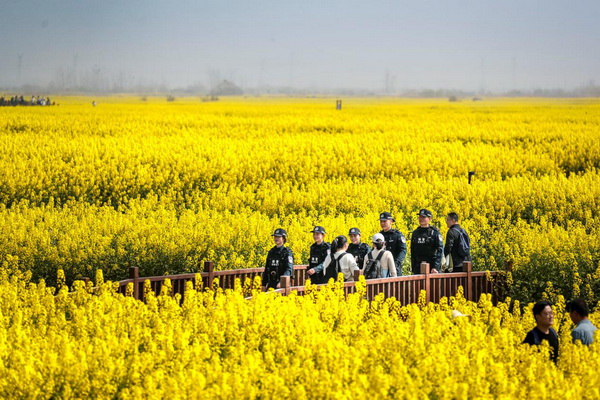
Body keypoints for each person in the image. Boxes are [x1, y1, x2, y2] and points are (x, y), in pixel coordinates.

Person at [410, 209, 443, 274]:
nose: (421, 219)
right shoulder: (415, 233)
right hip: (418, 266)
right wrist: (413, 268)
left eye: (423, 217)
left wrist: (436, 267)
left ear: (429, 219)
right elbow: (413, 251)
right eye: (420, 217)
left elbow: (440, 250)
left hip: (432, 266)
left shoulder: (434, 233)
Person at [378, 212, 407, 276]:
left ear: (391, 221)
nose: (382, 223)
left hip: (394, 268)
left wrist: (396, 263)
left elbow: (403, 250)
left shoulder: (397, 235)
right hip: (381, 268)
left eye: (384, 221)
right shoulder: (379, 235)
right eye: (381, 221)